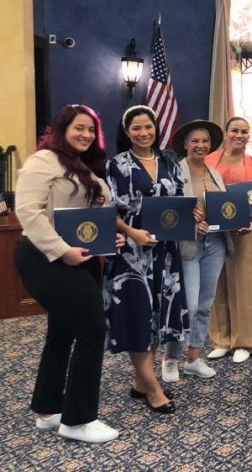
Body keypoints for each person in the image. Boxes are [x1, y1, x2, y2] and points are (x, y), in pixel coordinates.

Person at [14, 104, 121, 443]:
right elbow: (28, 212)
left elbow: (92, 216)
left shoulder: (84, 166)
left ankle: (48, 409)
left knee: (61, 333)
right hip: (45, 256)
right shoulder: (43, 161)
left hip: (82, 258)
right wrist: (62, 251)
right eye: (79, 127)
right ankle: (78, 420)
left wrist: (109, 238)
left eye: (91, 129)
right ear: (62, 128)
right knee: (92, 330)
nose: (86, 134)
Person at [106, 105, 193, 415]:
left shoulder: (169, 161)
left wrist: (192, 214)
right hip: (132, 254)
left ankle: (141, 381)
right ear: (126, 132)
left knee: (156, 318)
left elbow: (180, 202)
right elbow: (109, 211)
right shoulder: (117, 164)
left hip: (166, 253)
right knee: (138, 316)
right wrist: (132, 232)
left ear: (156, 128)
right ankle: (154, 389)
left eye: (148, 127)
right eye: (136, 128)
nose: (144, 133)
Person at [162, 119, 231, 380]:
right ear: (186, 144)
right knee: (186, 306)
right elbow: (166, 213)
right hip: (187, 247)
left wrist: (238, 222)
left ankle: (193, 358)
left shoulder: (215, 174)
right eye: (195, 141)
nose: (200, 145)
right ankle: (170, 358)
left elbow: (224, 209)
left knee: (204, 304)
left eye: (205, 141)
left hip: (215, 244)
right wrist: (190, 222)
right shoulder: (173, 174)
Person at [205, 116, 252, 363]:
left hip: (246, 228)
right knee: (216, 282)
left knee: (243, 282)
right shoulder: (209, 160)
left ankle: (244, 342)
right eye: (235, 131)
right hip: (214, 228)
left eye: (244, 131)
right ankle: (221, 339)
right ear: (225, 133)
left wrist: (251, 217)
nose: (240, 135)